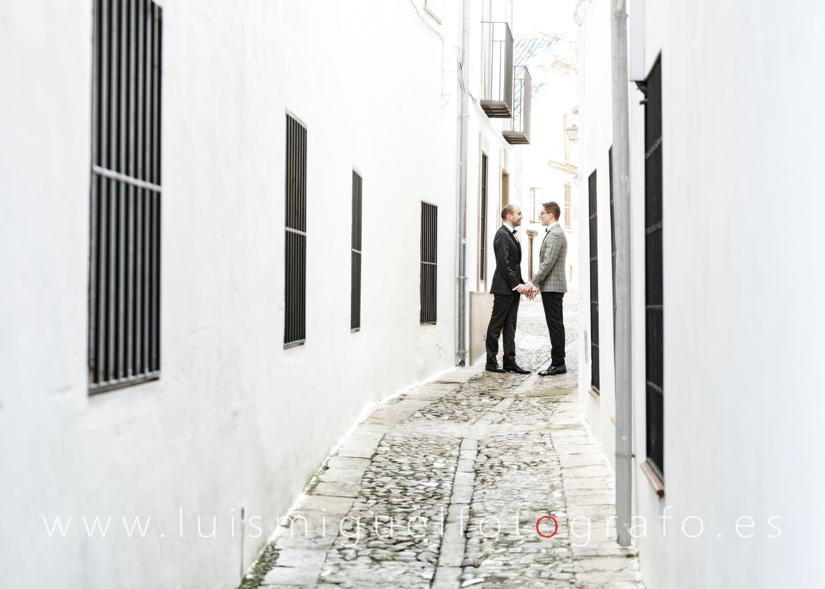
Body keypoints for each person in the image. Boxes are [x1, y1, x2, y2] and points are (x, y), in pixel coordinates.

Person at [485, 205, 532, 374]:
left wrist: (523, 285)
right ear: (509, 215)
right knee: (496, 325)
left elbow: (514, 266)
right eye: (519, 213)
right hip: (503, 288)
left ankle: (509, 362)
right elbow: (503, 265)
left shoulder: (511, 235)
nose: (521, 216)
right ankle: (491, 362)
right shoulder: (502, 235)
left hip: (512, 288)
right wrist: (517, 285)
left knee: (510, 325)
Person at [531, 201, 568, 376]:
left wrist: (533, 283)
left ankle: (558, 363)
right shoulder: (555, 233)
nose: (540, 215)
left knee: (555, 325)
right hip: (551, 286)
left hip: (553, 288)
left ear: (551, 215)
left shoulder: (555, 234)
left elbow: (547, 263)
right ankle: (558, 361)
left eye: (543, 213)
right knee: (555, 324)